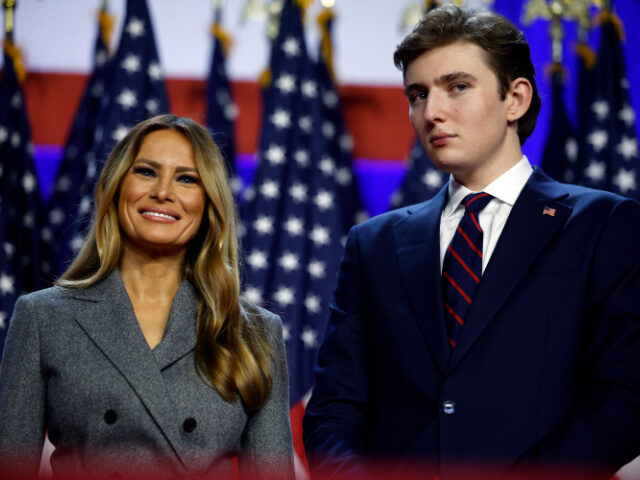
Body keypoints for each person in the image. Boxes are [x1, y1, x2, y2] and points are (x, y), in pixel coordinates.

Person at [303, 5, 640, 479]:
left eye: (457, 87)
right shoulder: (372, 243)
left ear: (516, 99)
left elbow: (624, 396)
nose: (432, 112)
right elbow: (334, 409)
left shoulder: (604, 224)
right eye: (417, 94)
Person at [0, 114, 294, 479]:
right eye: (146, 172)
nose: (163, 192)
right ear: (115, 186)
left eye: (186, 178)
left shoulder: (255, 332)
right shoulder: (41, 317)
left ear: (209, 203)